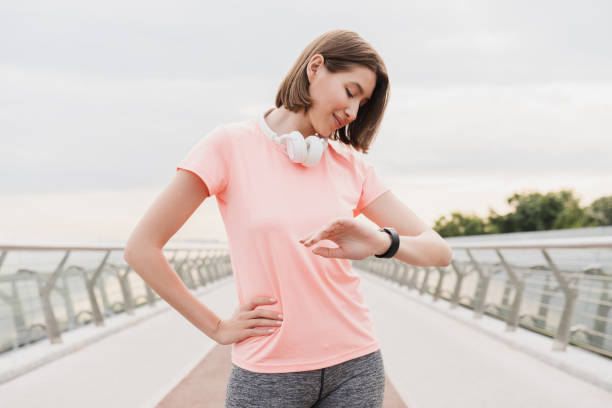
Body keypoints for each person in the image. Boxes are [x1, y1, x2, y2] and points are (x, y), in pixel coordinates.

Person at [124, 29, 452, 408]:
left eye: (362, 103)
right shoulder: (228, 145)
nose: (353, 112)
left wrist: (381, 242)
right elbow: (141, 249)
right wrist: (216, 327)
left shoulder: (351, 165)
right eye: (350, 91)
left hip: (356, 364)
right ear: (316, 68)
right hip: (267, 372)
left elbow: (438, 252)